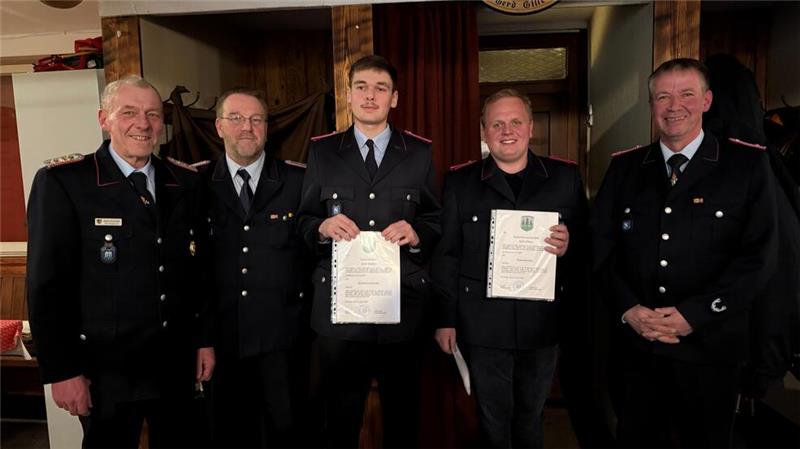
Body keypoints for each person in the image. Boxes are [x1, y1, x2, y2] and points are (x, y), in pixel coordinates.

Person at [591, 58, 779, 448]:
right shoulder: (624, 168)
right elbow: (600, 249)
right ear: (652, 105)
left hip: (709, 349)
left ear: (707, 101)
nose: (674, 105)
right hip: (636, 350)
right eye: (663, 96)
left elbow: (759, 257)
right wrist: (628, 309)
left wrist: (695, 315)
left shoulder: (747, 164)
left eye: (686, 94)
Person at [26, 75, 215, 448]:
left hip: (173, 365)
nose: (143, 124)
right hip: (105, 370)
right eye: (129, 113)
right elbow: (47, 286)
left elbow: (197, 275)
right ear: (104, 119)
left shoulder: (185, 182)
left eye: (152, 115)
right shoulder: (65, 183)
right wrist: (62, 371)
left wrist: (203, 341)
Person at [296, 55, 441, 448]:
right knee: (340, 420)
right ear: (348, 95)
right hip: (340, 314)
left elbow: (436, 219)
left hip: (403, 311)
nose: (370, 95)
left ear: (395, 98)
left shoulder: (419, 152)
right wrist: (323, 228)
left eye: (380, 88)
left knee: (402, 418)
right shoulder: (323, 151)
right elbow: (304, 221)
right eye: (361, 86)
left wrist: (417, 232)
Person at [431, 88, 587, 448]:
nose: (507, 130)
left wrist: (570, 244)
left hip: (542, 324)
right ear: (484, 131)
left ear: (531, 127)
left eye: (516, 121)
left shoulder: (565, 178)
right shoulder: (460, 181)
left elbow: (589, 247)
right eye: (496, 123)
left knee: (531, 416)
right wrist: (445, 318)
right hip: (482, 325)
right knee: (492, 419)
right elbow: (447, 255)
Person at [203, 88, 311, 448]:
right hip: (221, 342)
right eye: (236, 118)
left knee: (288, 431)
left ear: (267, 127)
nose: (246, 127)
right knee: (227, 434)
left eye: (256, 119)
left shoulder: (299, 181)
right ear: (219, 126)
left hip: (284, 340)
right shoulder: (195, 183)